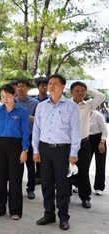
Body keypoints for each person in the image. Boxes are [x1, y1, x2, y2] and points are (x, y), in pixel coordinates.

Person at [33, 74, 81, 231]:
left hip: (62, 150)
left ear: (63, 87)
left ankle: (63, 217)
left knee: (62, 185)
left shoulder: (70, 106)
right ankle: (49, 214)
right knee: (46, 184)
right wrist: (36, 149)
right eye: (49, 83)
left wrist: (74, 152)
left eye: (54, 83)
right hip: (45, 149)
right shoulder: (41, 106)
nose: (51, 86)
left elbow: (75, 131)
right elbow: (36, 130)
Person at [0, 84, 29, 220]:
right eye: (2, 96)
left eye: (8, 96)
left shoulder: (22, 112)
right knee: (0, 178)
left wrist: (25, 150)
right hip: (0, 145)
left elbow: (25, 133)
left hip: (16, 146)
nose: (5, 99)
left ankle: (15, 210)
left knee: (15, 179)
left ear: (14, 96)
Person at [70, 81, 105, 208]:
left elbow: (101, 97)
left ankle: (85, 197)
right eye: (77, 90)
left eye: (82, 90)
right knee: (67, 171)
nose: (80, 93)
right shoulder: (66, 104)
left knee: (83, 171)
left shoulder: (89, 105)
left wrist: (88, 89)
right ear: (71, 92)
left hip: (84, 143)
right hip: (68, 144)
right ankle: (66, 195)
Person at [15, 79, 39, 200]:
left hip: (29, 137)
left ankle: (31, 189)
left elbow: (40, 121)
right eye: (18, 86)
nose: (20, 88)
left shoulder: (35, 103)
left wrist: (33, 118)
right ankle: (15, 188)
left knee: (30, 165)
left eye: (22, 86)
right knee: (15, 165)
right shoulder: (12, 101)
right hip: (15, 138)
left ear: (27, 88)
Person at [34, 77, 49, 184]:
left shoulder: (50, 100)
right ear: (38, 87)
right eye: (42, 85)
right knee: (37, 154)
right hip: (36, 132)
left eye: (46, 85)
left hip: (47, 133)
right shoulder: (34, 101)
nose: (44, 87)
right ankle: (38, 175)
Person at [89, 110, 107, 196]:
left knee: (100, 163)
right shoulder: (81, 114)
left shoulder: (98, 115)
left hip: (99, 139)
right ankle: (77, 183)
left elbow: (104, 130)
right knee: (84, 163)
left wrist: (102, 142)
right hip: (87, 139)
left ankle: (99, 187)